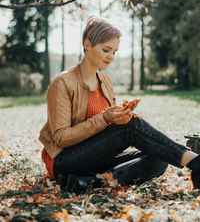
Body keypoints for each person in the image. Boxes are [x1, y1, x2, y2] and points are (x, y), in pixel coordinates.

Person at [39, 15, 200, 193]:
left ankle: (87, 183)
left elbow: (106, 133)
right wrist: (105, 118)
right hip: (64, 160)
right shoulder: (63, 83)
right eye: (106, 50)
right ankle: (195, 162)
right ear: (87, 45)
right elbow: (61, 137)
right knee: (131, 127)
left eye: (114, 52)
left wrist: (119, 116)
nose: (111, 57)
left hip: (95, 158)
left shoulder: (105, 81)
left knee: (160, 156)